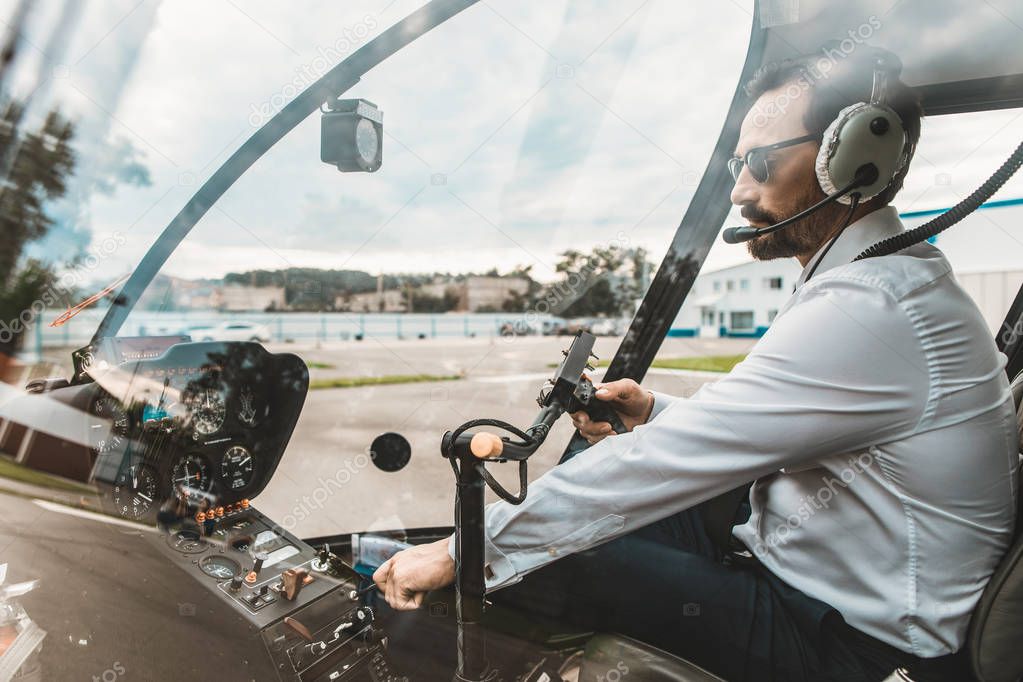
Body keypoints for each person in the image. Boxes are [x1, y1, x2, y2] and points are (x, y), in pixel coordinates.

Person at [373, 47, 1019, 681]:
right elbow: (772, 422)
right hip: (809, 579)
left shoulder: (873, 309)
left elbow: (658, 463)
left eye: (760, 162)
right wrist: (652, 412)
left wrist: (462, 550)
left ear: (851, 161)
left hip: (859, 649)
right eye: (739, 164)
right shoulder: (867, 284)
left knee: (540, 558)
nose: (740, 188)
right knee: (580, 483)